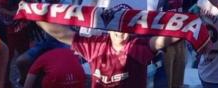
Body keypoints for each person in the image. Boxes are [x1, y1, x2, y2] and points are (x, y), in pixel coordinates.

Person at [35, 20, 182, 87]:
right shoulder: (96, 45)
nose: (121, 32)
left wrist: (186, 27)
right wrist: (35, 17)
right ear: (110, 27)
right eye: (117, 27)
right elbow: (62, 34)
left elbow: (163, 41)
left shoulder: (138, 46)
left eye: (126, 28)